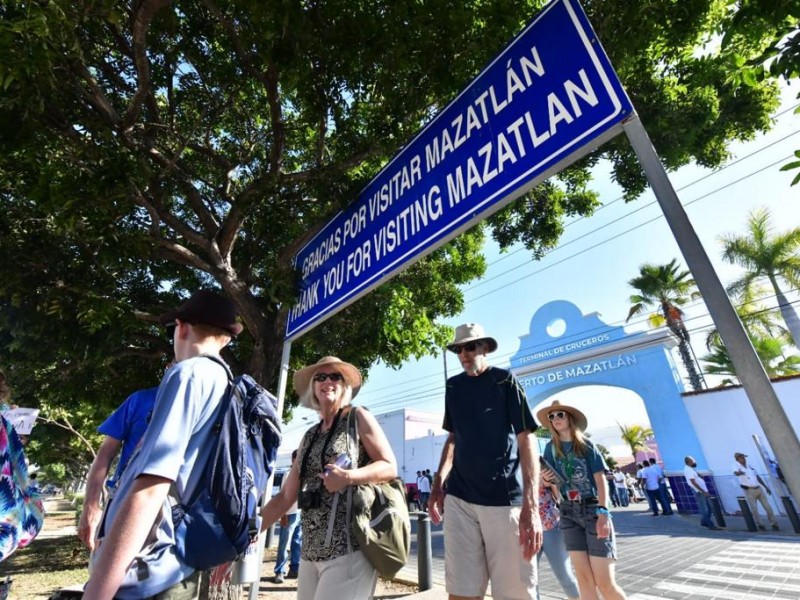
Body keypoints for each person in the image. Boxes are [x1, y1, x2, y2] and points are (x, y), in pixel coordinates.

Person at [83, 289, 244, 599]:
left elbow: (152, 486)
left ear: (181, 327)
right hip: (177, 564)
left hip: (147, 570)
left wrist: (98, 591)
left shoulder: (188, 374)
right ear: (226, 339)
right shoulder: (226, 385)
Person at [260, 356, 397, 600]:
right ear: (313, 387)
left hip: (349, 550)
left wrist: (348, 477)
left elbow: (389, 466)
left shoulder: (358, 418)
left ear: (345, 386)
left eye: (335, 376)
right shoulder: (309, 436)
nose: (328, 381)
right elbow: (285, 496)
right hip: (310, 554)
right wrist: (250, 531)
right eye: (320, 377)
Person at [428, 323, 542, 600]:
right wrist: (437, 483)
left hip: (503, 500)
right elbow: (454, 437)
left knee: (516, 593)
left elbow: (526, 438)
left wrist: (532, 507)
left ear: (484, 348)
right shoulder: (453, 386)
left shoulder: (505, 381)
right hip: (459, 498)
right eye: (458, 349)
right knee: (461, 592)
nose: (463, 353)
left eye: (470, 346)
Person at [538, 400, 627, 600]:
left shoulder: (586, 445)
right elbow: (553, 485)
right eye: (552, 417)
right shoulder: (550, 448)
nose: (556, 419)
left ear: (569, 418)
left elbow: (600, 479)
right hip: (567, 512)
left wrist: (604, 513)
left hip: (593, 508)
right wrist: (546, 480)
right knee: (584, 581)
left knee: (605, 583)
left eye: (560, 414)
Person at [77, 379, 162, 550]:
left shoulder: (213, 402)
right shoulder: (141, 399)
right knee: (108, 572)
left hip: (179, 510)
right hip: (125, 502)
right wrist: (91, 505)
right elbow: (105, 454)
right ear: (169, 367)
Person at [536, 475, 580, 600]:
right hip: (526, 529)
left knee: (565, 575)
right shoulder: (511, 465)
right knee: (529, 579)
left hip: (551, 526)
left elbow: (561, 499)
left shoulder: (544, 465)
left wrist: (551, 484)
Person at [273, 449, 302, 584]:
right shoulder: (288, 474)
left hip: (301, 513)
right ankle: (280, 571)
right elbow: (283, 495)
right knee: (284, 543)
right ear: (293, 459)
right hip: (289, 512)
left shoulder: (306, 473)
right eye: (297, 458)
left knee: (297, 542)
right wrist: (282, 513)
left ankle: (294, 568)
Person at [733, 451, 779, 531]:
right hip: (749, 490)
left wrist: (765, 487)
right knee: (754, 509)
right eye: (742, 457)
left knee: (768, 507)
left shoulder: (749, 466)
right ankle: (760, 524)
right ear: (738, 459)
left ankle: (774, 523)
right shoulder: (736, 466)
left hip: (758, 488)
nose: (744, 459)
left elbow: (757, 477)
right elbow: (736, 473)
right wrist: (739, 473)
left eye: (744, 457)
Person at [683, 456, 720, 530]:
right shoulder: (688, 470)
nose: (695, 462)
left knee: (709, 507)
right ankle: (710, 525)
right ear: (688, 462)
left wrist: (699, 475)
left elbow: (695, 477)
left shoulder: (691, 469)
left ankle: (704, 522)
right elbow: (693, 482)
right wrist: (703, 491)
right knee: (704, 509)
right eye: (693, 461)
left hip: (702, 491)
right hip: (700, 492)